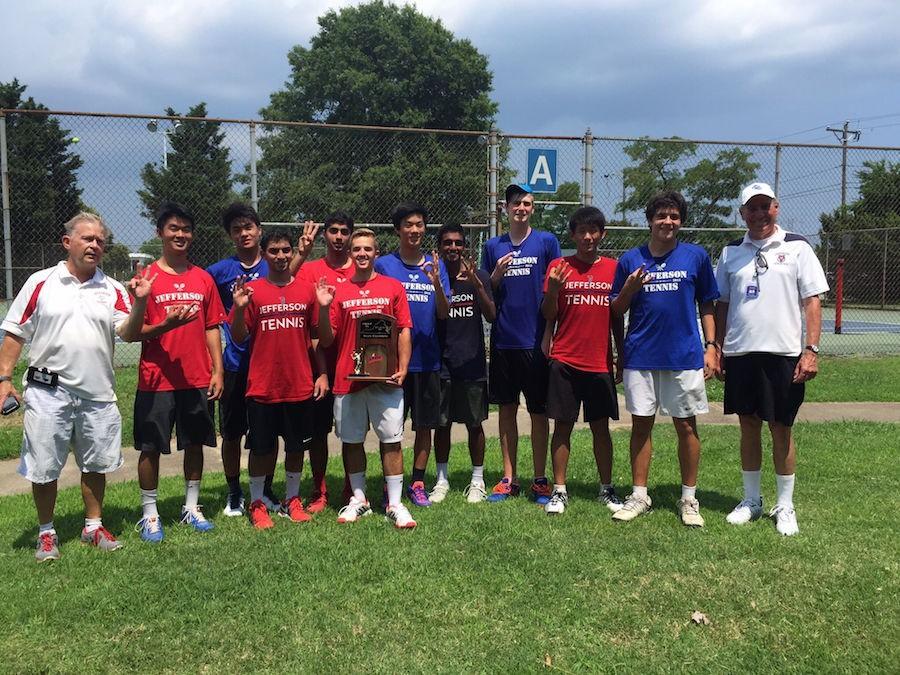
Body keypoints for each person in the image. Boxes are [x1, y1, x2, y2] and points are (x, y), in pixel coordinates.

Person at [0, 212, 151, 561]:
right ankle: (46, 533)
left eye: (100, 240)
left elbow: (128, 332)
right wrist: (4, 379)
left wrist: (141, 301)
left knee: (95, 464)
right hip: (47, 392)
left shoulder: (113, 289)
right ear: (67, 242)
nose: (95, 245)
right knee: (44, 465)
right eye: (87, 238)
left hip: (97, 394)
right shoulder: (41, 282)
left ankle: (93, 527)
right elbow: (14, 333)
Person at [715, 182, 828, 536]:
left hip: (783, 354)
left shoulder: (797, 246)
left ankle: (786, 505)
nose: (760, 213)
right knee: (748, 425)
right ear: (743, 213)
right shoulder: (730, 252)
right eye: (753, 208)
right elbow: (721, 304)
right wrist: (717, 347)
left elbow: (812, 301)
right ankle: (751, 500)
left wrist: (811, 350)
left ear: (776, 208)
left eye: (766, 206)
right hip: (741, 353)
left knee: (781, 427)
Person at [609, 191, 719, 526]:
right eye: (661, 216)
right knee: (641, 424)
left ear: (681, 221)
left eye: (673, 216)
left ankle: (689, 499)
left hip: (683, 355)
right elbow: (616, 309)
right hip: (641, 355)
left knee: (686, 425)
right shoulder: (630, 260)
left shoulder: (695, 257)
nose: (667, 222)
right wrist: (629, 288)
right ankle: (639, 495)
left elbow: (708, 304)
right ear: (650, 220)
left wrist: (711, 346)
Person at [207, 205, 319, 516]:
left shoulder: (272, 264)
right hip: (236, 365)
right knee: (232, 433)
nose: (244, 233)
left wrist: (303, 253)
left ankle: (267, 490)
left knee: (274, 437)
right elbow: (208, 309)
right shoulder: (220, 271)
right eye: (236, 229)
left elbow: (287, 281)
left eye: (249, 227)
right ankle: (234, 491)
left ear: (259, 230)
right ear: (230, 235)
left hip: (277, 367)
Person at [133, 201, 226, 543]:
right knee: (150, 446)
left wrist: (217, 370)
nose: (180, 235)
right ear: (160, 233)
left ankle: (191, 507)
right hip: (156, 379)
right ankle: (150, 513)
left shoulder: (203, 279)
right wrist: (164, 324)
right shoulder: (147, 279)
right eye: (173, 228)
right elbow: (135, 331)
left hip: (196, 377)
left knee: (195, 443)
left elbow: (212, 327)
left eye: (186, 229)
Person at [317, 228, 417, 529]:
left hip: (385, 380)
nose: (362, 254)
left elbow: (403, 330)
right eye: (357, 249)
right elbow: (326, 339)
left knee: (392, 441)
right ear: (351, 253)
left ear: (376, 253)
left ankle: (396, 503)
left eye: (368, 249)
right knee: (352, 441)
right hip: (348, 380)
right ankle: (359, 499)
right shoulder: (339, 292)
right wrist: (323, 308)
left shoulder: (392, 287)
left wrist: (403, 366)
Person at [230, 230, 329, 528]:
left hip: (299, 383)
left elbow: (317, 338)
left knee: (296, 447)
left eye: (286, 250)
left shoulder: (307, 290)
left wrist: (322, 373)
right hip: (263, 384)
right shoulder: (253, 291)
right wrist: (238, 309)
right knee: (261, 449)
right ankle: (257, 502)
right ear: (264, 253)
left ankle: (292, 499)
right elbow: (238, 336)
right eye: (274, 251)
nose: (282, 256)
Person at [481, 183, 561, 503]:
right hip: (504, 342)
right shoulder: (492, 246)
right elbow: (487, 294)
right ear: (505, 207)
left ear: (533, 208)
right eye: (516, 203)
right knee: (507, 409)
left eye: (527, 203)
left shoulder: (546, 242)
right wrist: (496, 277)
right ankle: (508, 477)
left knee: (539, 411)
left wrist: (549, 334)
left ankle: (540, 478)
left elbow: (555, 292)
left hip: (535, 341)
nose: (521, 208)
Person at [540, 206, 623, 515]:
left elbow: (616, 316)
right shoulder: (559, 266)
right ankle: (559, 491)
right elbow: (549, 314)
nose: (588, 237)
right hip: (565, 358)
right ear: (573, 234)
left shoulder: (614, 268)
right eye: (582, 231)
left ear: (602, 234)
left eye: (594, 231)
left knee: (601, 428)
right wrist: (554, 291)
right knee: (562, 426)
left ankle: (606, 488)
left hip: (599, 361)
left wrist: (620, 354)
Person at [374, 203, 449, 507]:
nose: (415, 230)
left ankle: (417, 481)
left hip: (427, 360)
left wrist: (437, 285)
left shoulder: (435, 264)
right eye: (408, 224)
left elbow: (444, 313)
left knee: (424, 425)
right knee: (390, 428)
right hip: (393, 364)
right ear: (398, 230)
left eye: (419, 224)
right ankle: (390, 483)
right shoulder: (384, 265)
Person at [296, 212, 355, 511]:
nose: (339, 237)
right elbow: (288, 287)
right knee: (318, 432)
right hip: (318, 365)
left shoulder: (361, 268)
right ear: (325, 235)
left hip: (353, 365)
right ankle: (319, 489)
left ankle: (350, 486)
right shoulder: (309, 270)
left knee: (352, 431)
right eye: (333, 231)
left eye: (345, 231)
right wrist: (321, 371)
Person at [433, 223, 496, 503]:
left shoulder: (477, 275)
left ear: (465, 247)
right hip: (442, 363)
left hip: (471, 363)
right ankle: (442, 479)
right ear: (439, 247)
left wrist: (478, 284)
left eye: (458, 243)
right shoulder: (433, 277)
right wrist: (435, 282)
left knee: (474, 425)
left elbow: (492, 315)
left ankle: (477, 479)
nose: (453, 248)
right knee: (442, 424)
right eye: (448, 243)